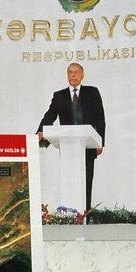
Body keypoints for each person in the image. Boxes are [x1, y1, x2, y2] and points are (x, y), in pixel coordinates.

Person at [37, 62, 106, 208]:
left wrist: (101, 142)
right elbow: (50, 115)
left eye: (76, 72)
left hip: (88, 145)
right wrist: (40, 132)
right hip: (68, 147)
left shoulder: (92, 92)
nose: (73, 75)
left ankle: (85, 214)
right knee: (69, 183)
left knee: (86, 182)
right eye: (70, 72)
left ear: (82, 75)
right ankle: (69, 215)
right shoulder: (59, 95)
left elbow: (100, 119)